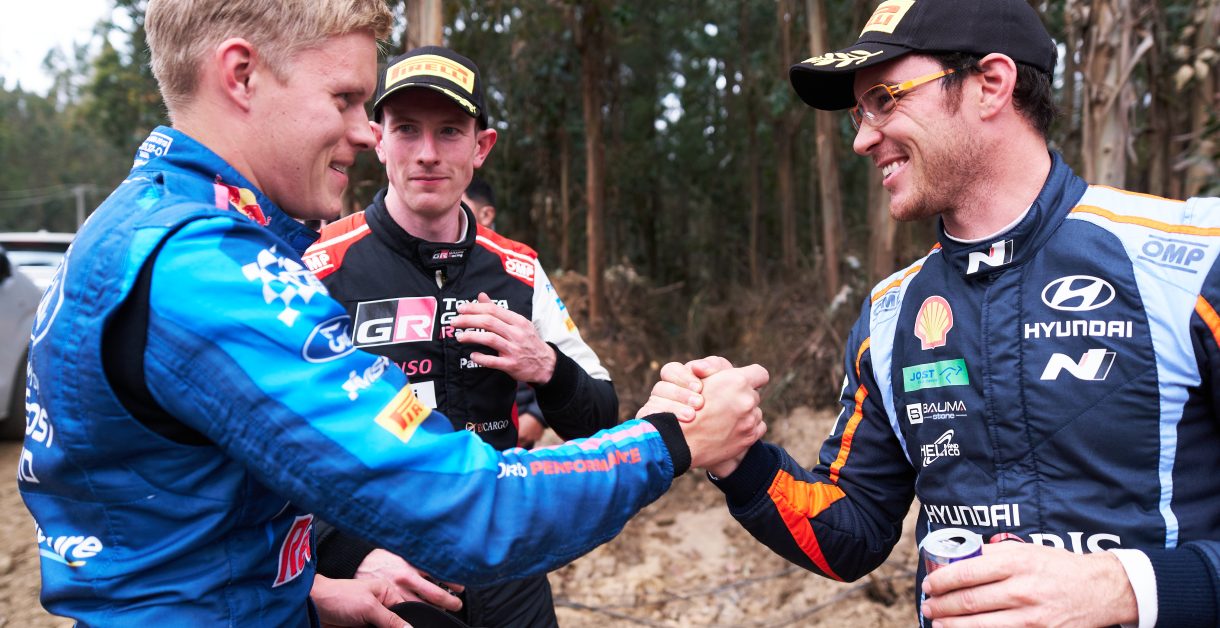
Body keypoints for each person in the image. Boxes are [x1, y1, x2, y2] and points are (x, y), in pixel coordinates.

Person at [16, 1, 770, 625]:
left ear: (481, 147)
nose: (366, 133)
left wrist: (307, 595)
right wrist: (672, 439)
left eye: (447, 131)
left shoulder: (141, 230)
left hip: (480, 584)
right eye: (349, 102)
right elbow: (466, 505)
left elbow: (187, 519)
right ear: (241, 75)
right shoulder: (223, 273)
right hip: (433, 546)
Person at [650, 1, 1220, 626]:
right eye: (858, 113)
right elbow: (853, 530)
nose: (863, 139)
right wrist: (737, 456)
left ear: (991, 85)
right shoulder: (891, 313)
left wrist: (1127, 588)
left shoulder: (1191, 264)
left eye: (884, 99)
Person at [303, 47, 619, 627]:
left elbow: (600, 419)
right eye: (407, 129)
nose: (427, 153)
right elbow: (274, 448)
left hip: (510, 573)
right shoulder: (318, 269)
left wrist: (547, 367)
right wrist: (347, 553)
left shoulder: (519, 270)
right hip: (385, 583)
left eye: (449, 131)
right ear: (378, 139)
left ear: (481, 147)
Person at [463, 175, 552, 450]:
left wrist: (536, 415)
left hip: (512, 436)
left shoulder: (517, 267)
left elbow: (552, 351)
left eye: (460, 203)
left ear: (486, 214)